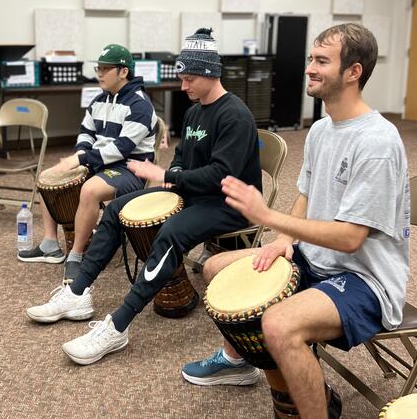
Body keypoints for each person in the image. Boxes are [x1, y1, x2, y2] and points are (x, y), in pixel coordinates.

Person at [182, 23, 410, 419]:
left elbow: (352, 238)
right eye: (311, 57)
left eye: (322, 61)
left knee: (281, 325)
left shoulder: (378, 140)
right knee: (216, 268)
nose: (309, 67)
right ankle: (240, 359)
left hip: (366, 279)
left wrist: (269, 220)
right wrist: (285, 242)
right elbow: (306, 195)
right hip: (316, 259)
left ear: (353, 72)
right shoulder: (325, 129)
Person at [26, 28, 262, 365]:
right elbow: (183, 157)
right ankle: (77, 292)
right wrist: (173, 177)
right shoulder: (195, 111)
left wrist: (166, 176)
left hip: (230, 204)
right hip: (196, 194)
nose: (183, 87)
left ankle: (118, 325)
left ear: (210, 74)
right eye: (182, 78)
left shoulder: (234, 115)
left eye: (190, 79)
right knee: (117, 211)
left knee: (169, 234)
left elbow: (219, 175)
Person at [18, 44, 157, 283]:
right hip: (100, 162)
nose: (99, 74)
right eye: (98, 69)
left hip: (130, 168)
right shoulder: (99, 100)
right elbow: (86, 132)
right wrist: (81, 153)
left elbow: (121, 148)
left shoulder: (140, 105)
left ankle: (77, 255)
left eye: (105, 69)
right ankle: (51, 244)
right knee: (48, 178)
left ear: (123, 72)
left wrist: (81, 159)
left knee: (90, 190)